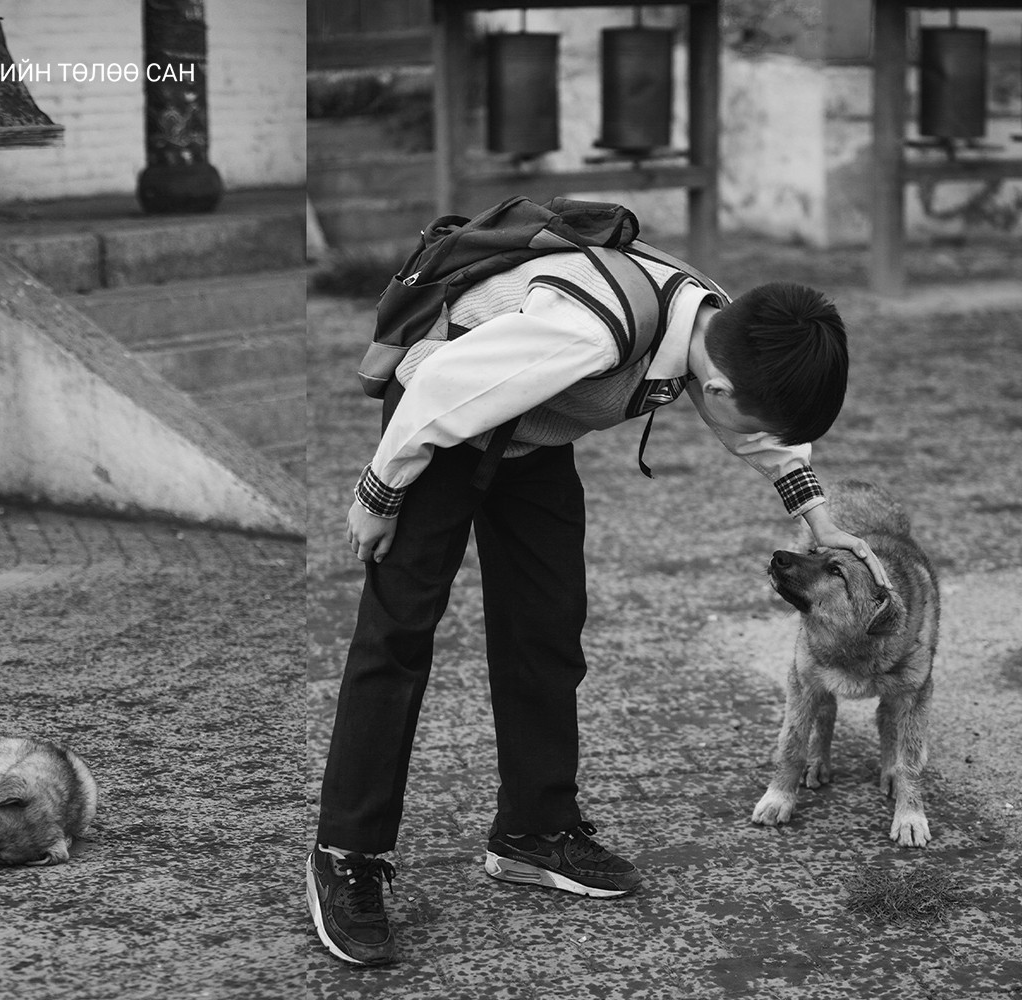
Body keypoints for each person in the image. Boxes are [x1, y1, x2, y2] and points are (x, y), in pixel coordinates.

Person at [306, 246, 891, 968]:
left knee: (547, 628)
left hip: (534, 428)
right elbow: (443, 393)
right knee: (399, 634)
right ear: (717, 384)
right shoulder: (592, 329)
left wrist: (817, 518)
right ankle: (346, 853)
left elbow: (761, 429)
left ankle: (533, 831)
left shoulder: (719, 321)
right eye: (756, 425)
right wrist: (379, 492)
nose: (761, 442)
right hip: (440, 424)